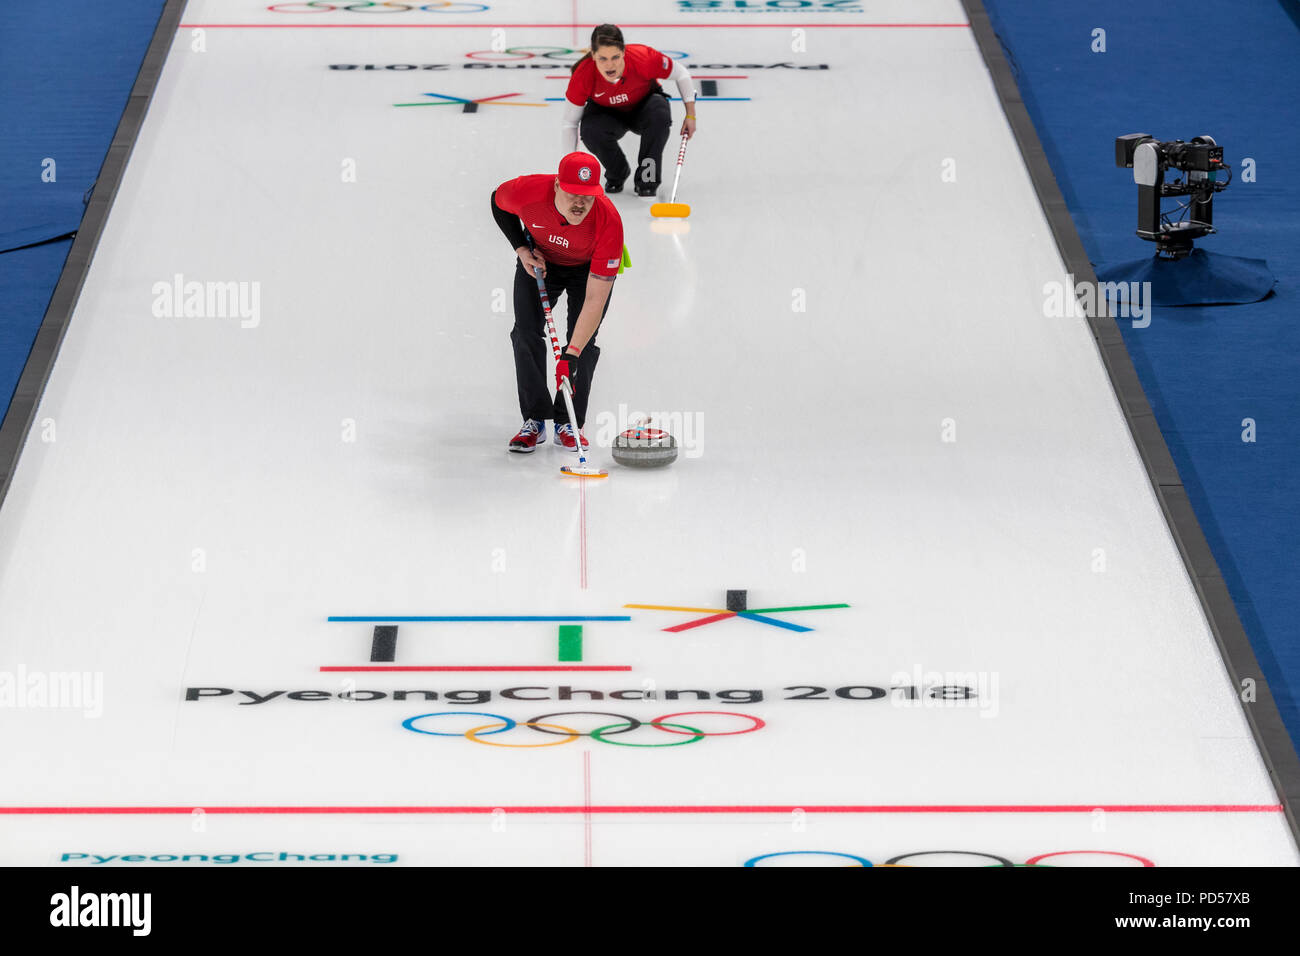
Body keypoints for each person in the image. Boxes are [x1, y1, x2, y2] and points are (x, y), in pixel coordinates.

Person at [490, 152, 624, 453]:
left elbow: (594, 300)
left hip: (587, 271)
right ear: (556, 187)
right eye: (574, 194)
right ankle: (535, 419)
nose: (580, 204)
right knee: (525, 332)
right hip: (540, 263)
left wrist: (571, 355)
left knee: (583, 344)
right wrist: (522, 249)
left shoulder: (609, 223)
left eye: (588, 197)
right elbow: (496, 202)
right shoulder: (527, 192)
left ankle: (568, 421)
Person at [561, 23, 697, 196]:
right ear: (593, 55)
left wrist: (690, 115)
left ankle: (647, 179)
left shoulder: (643, 58)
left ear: (624, 52)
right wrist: (569, 168)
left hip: (643, 107)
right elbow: (570, 124)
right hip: (607, 114)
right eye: (603, 58)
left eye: (615, 57)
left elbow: (681, 73)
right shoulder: (583, 75)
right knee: (590, 130)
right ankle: (617, 172)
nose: (610, 65)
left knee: (659, 113)